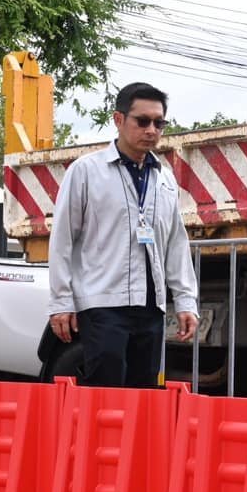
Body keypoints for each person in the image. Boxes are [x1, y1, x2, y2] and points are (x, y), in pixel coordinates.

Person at [46, 81, 199, 388]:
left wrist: (185, 302)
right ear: (118, 120)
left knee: (143, 392)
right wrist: (61, 302)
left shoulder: (164, 179)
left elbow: (175, 246)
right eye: (142, 121)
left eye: (159, 123)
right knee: (105, 387)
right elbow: (62, 239)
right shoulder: (86, 172)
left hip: (150, 306)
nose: (151, 130)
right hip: (102, 303)